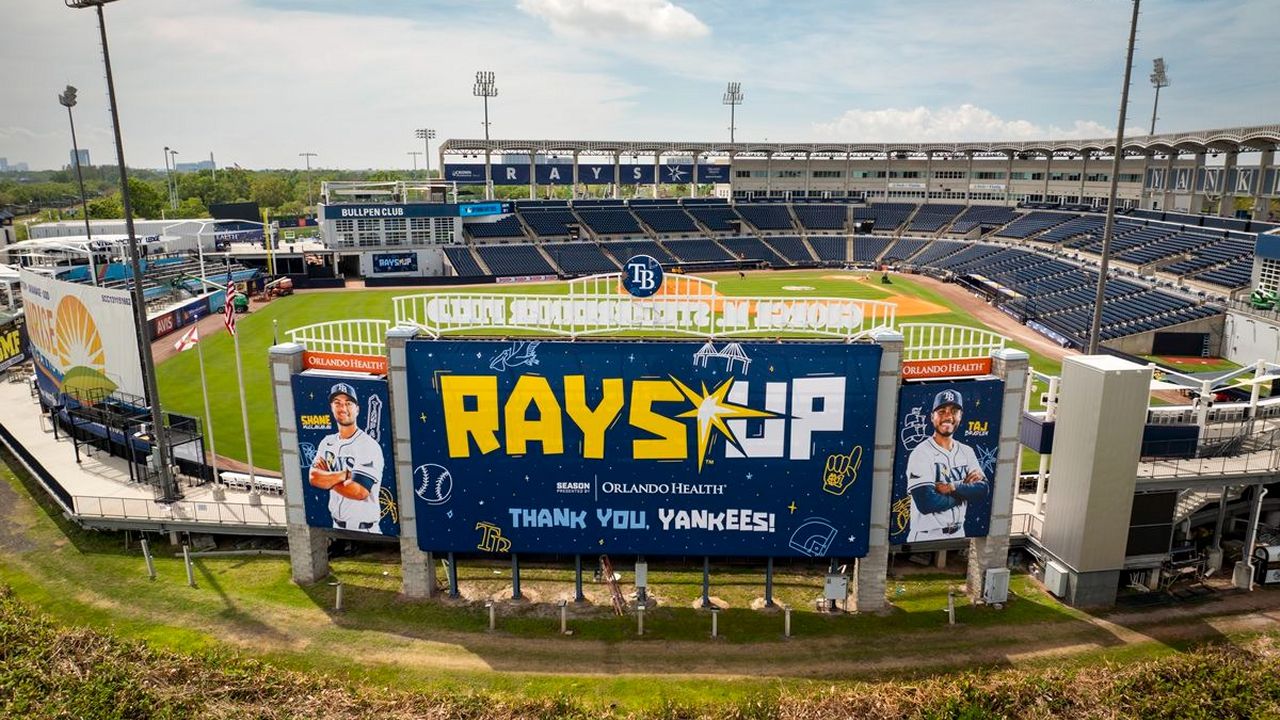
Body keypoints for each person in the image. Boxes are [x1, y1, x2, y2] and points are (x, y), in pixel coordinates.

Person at [904, 389, 988, 542]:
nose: (948, 416)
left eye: (954, 411)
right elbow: (926, 502)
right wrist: (964, 493)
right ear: (932, 417)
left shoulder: (967, 451)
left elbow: (983, 489)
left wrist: (952, 487)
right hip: (925, 536)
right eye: (942, 411)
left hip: (959, 532)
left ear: (960, 417)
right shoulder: (921, 453)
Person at [309, 382, 385, 533]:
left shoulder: (368, 445)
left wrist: (327, 480)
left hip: (366, 529)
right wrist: (344, 475)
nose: (342, 408)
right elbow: (313, 477)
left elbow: (359, 491)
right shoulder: (326, 442)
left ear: (357, 409)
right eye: (337, 403)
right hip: (336, 525)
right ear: (331, 407)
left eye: (348, 403)